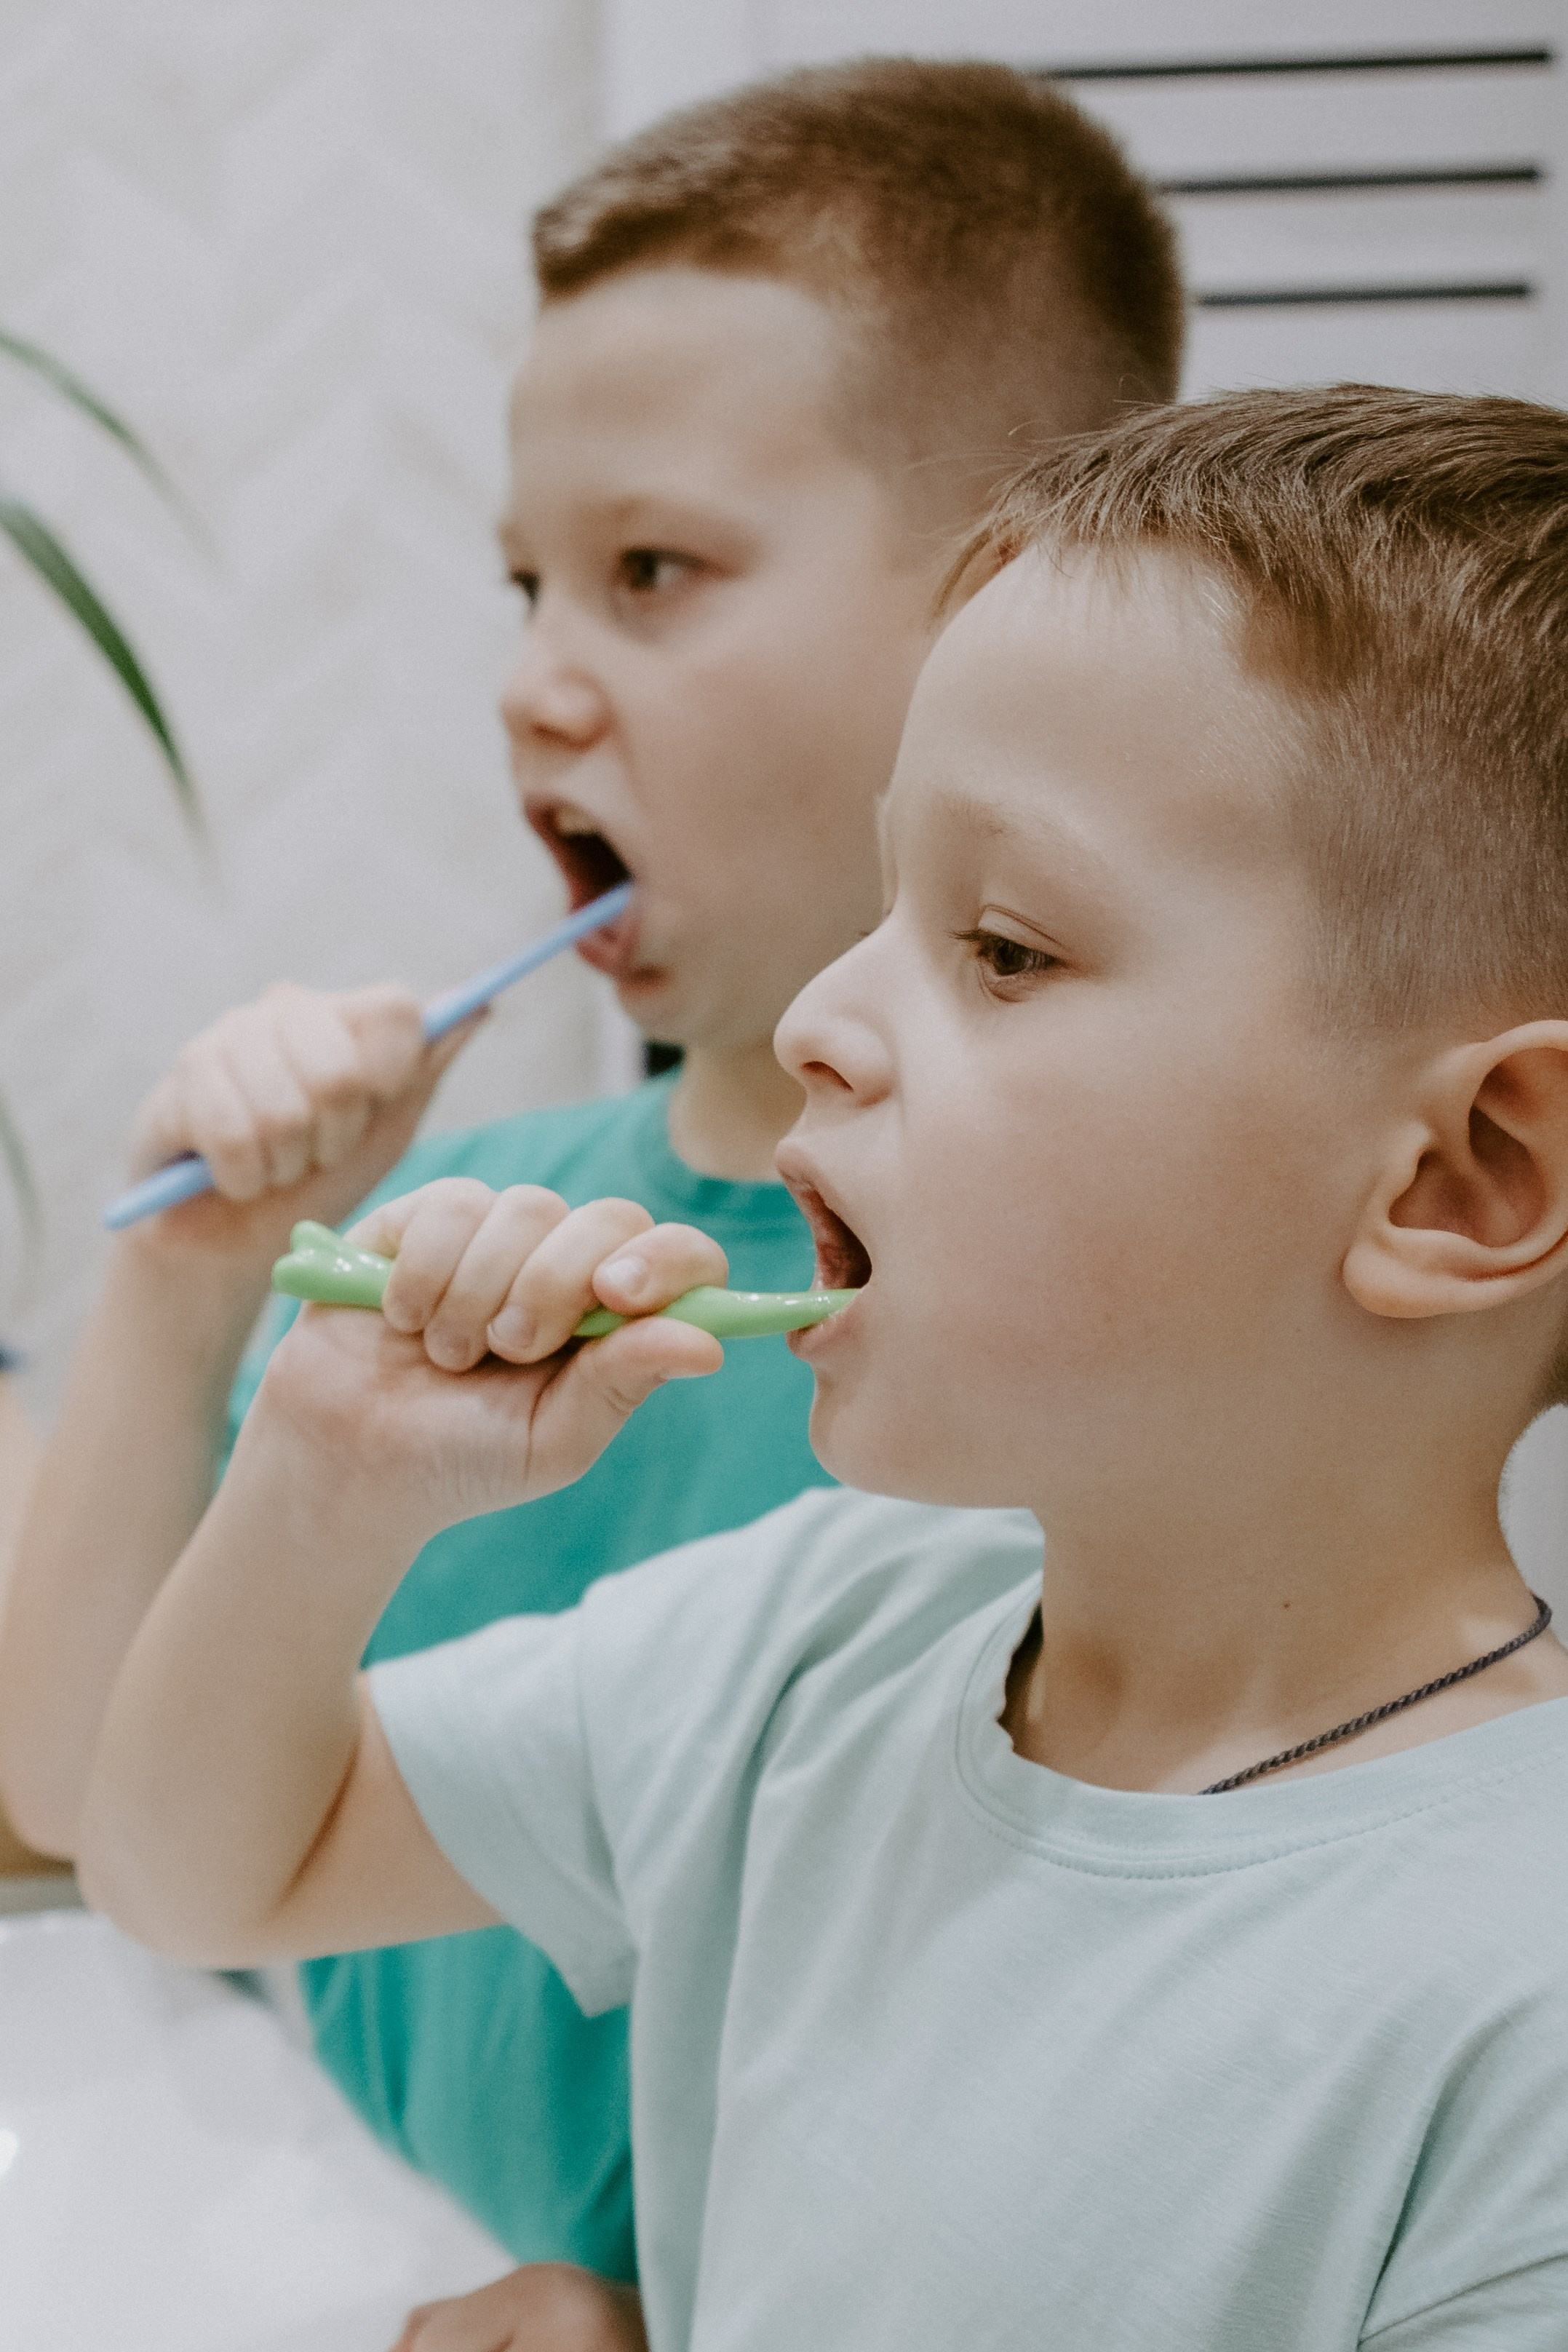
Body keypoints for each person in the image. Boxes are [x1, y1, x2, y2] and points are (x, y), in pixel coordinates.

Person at [73, 384, 1568, 2351]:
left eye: (1004, 947)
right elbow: (193, 1877)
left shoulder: (1520, 2014)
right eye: (881, 908)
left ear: (1461, 1179)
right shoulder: (812, 1645)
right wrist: (319, 1487)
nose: (818, 1019)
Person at [0, 52, 1184, 2319]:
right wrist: (190, 1281)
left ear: (1008, 609)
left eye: (651, 573)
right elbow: (79, 1797)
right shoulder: (456, 1247)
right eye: (527, 584)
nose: (534, 683)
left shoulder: (1065, 1342)